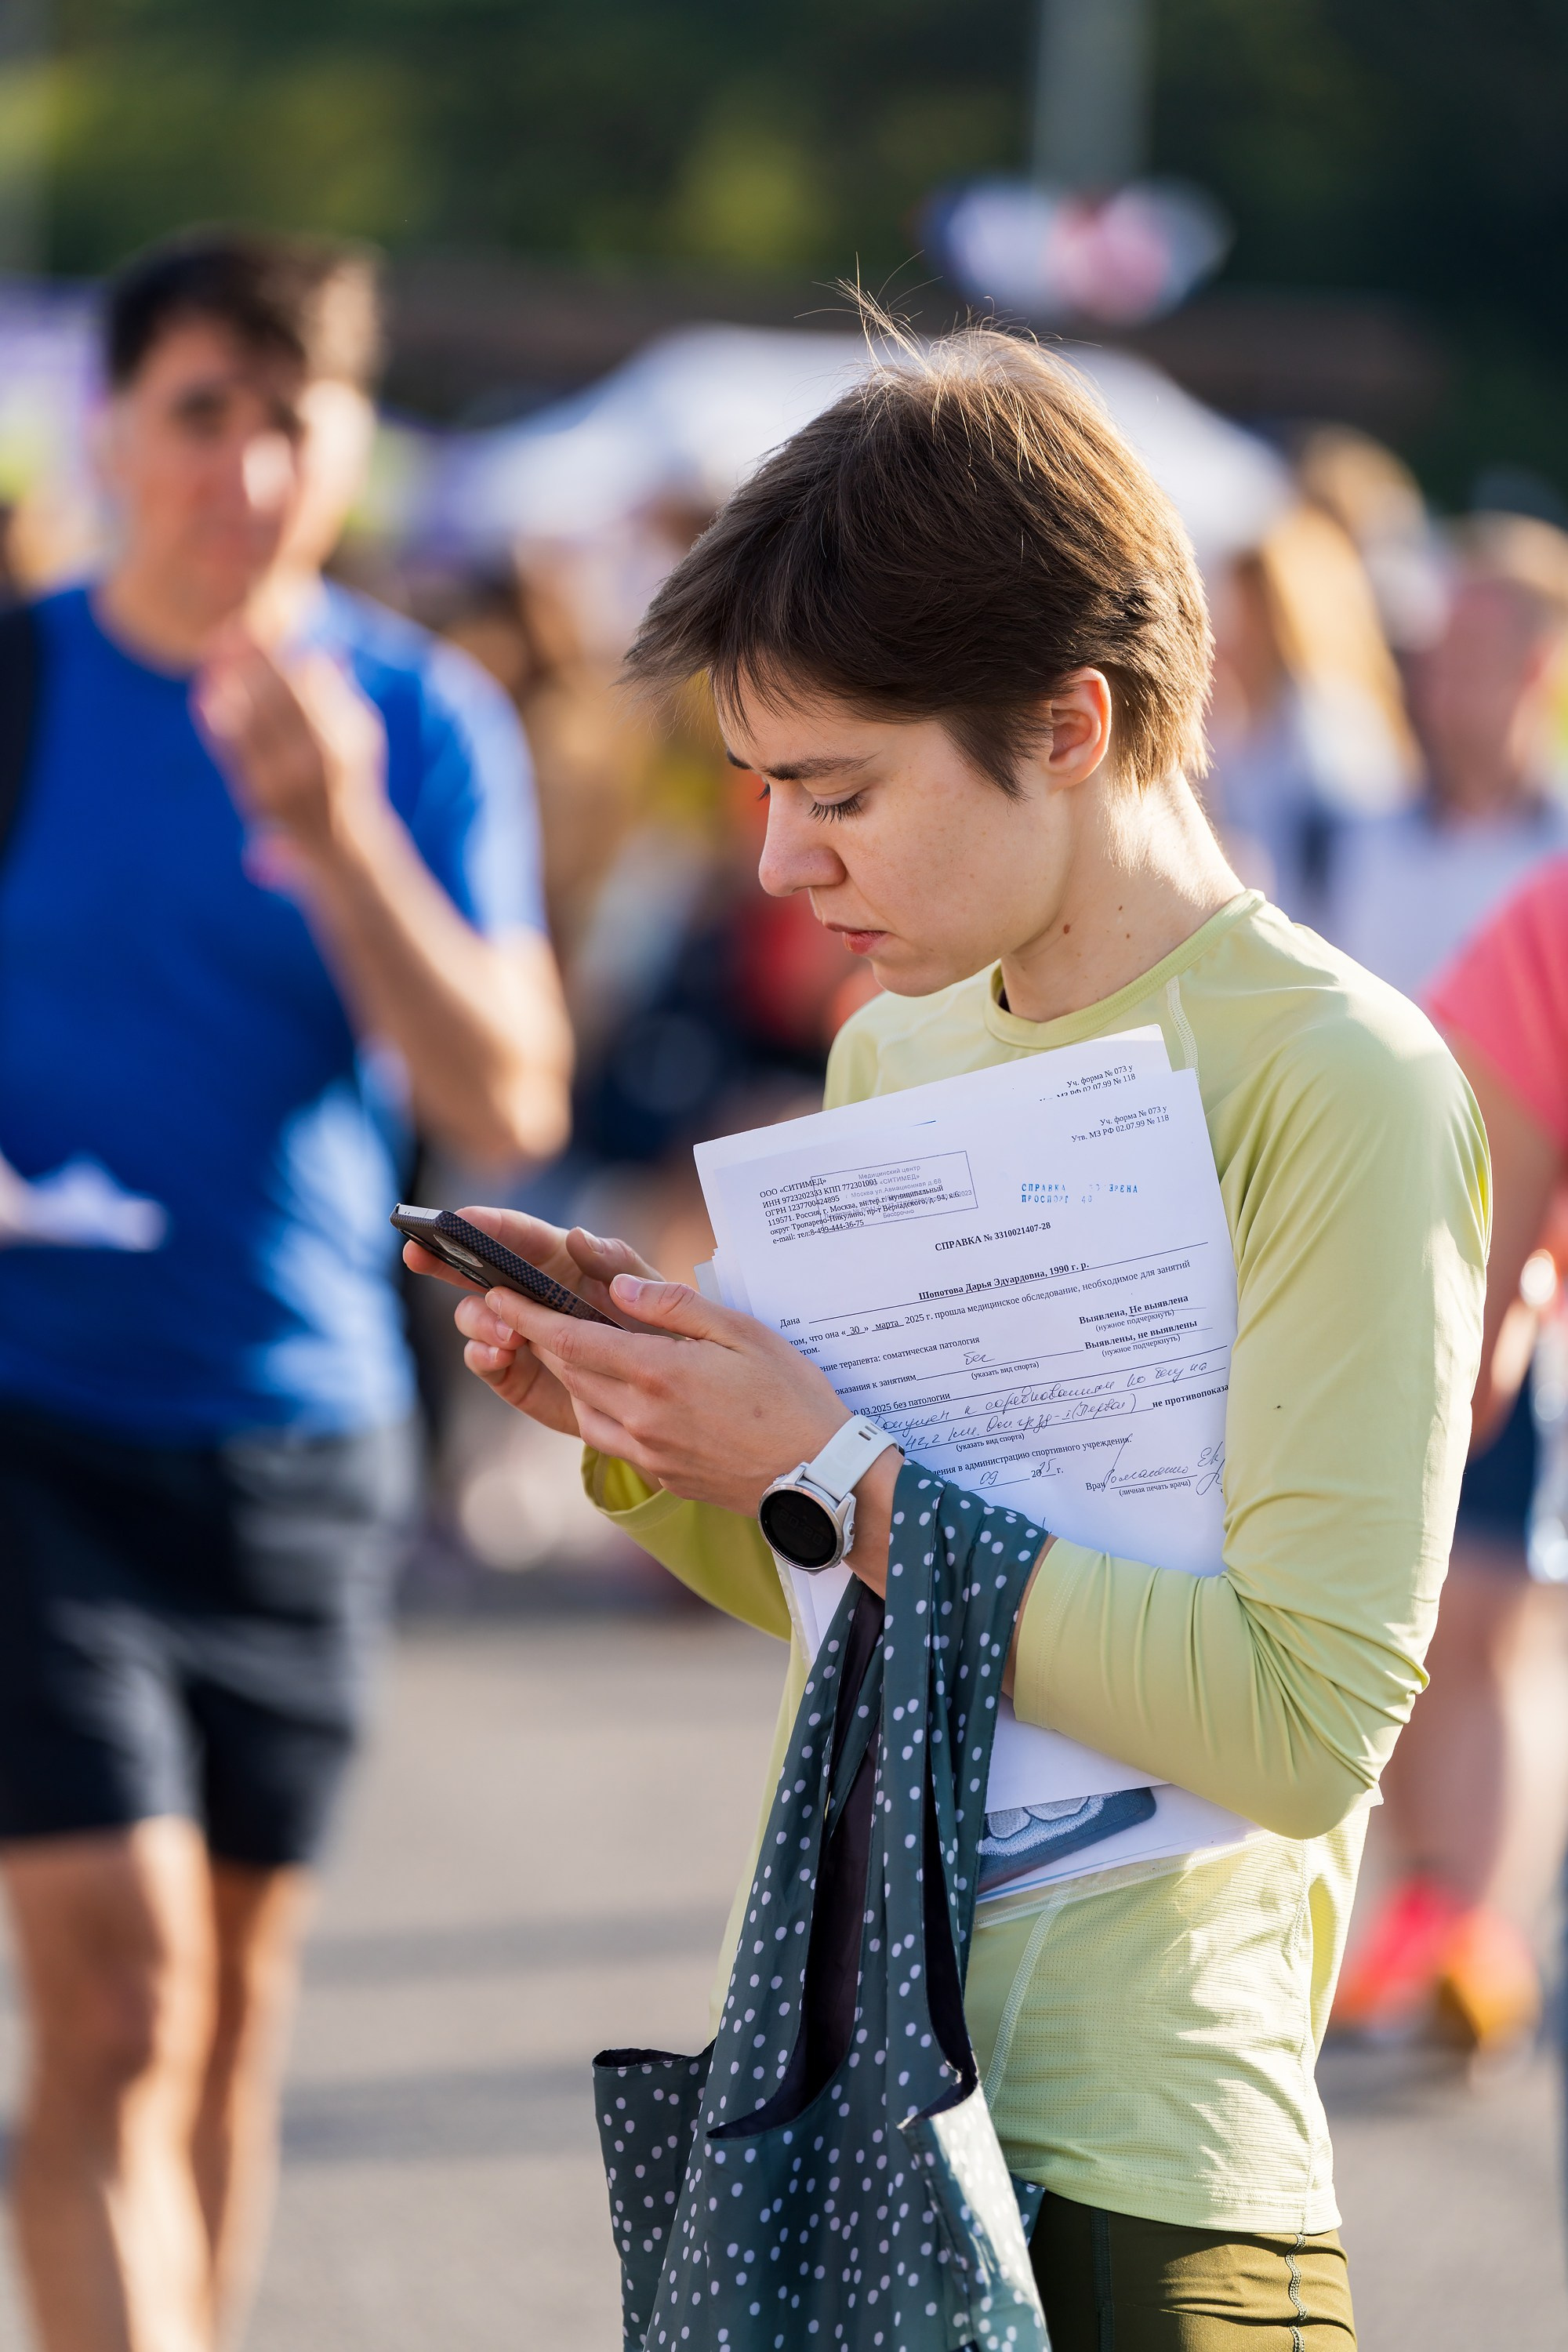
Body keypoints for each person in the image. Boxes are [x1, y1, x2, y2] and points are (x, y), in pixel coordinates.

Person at [406, 325, 1486, 2348]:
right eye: (763, 791)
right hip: (847, 2106)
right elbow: (867, 1611)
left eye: (838, 792)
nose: (778, 860)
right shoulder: (894, 1038)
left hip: (1158, 2161)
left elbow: (1301, 1723)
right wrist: (651, 1423)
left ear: (1071, 722)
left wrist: (827, 1466)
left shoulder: (1342, 1076)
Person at [0, 230, 572, 2352]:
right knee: (119, 1993)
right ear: (110, 433)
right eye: (198, 414)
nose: (242, 471)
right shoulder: (21, 683)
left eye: (288, 422)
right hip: (33, 1417)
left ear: (350, 449)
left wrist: (338, 839)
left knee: (230, 2021)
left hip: (301, 1434)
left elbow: (506, 1096)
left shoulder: (417, 722)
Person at [1335, 857, 1568, 2052]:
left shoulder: (1550, 917)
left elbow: (1470, 1342)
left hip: (1457, 1328)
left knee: (1456, 1632)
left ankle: (1460, 1926)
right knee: (1467, 1636)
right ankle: (1447, 1925)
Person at [1320, 514, 1568, 1001]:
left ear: (1535, 668)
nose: (1442, 673)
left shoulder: (1559, 850)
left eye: (1472, 649)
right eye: (1439, 648)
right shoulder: (1360, 841)